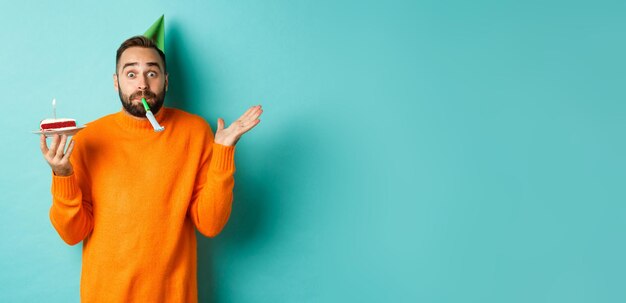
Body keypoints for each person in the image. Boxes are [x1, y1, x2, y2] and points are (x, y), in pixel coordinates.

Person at [39, 35, 263, 302]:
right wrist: (62, 175)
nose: (142, 84)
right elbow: (72, 233)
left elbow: (211, 224)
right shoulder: (89, 139)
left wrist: (223, 152)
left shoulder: (194, 132)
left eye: (152, 73)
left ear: (166, 81)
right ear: (116, 82)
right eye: (131, 73)